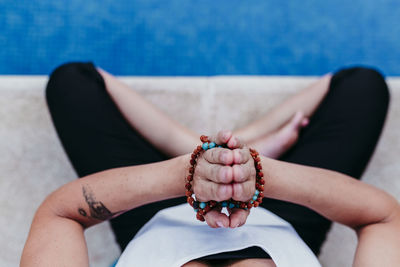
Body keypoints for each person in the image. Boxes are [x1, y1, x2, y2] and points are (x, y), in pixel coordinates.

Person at [20, 63, 399, 267]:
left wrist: (184, 175)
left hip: (155, 212)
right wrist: (259, 175)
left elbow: (61, 213)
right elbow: (383, 217)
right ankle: (235, 151)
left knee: (74, 82)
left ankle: (206, 151)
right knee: (361, 85)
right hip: (283, 215)